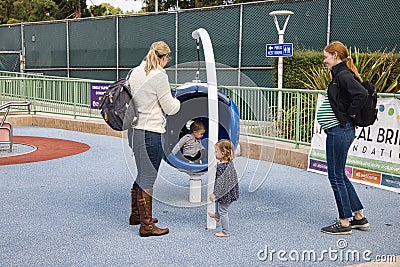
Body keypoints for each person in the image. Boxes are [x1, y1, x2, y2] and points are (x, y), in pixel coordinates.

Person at [127, 41, 180, 237]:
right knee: (148, 179)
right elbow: (170, 108)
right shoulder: (159, 76)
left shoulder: (136, 72)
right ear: (164, 58)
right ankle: (147, 226)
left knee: (142, 174)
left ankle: (136, 215)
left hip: (135, 132)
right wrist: (178, 101)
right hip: (151, 132)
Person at [317, 41, 370, 235]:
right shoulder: (341, 74)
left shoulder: (344, 75)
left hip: (339, 131)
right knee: (340, 174)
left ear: (335, 56)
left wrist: (350, 113)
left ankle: (344, 222)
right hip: (340, 130)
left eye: (326, 57)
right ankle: (358, 217)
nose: (325, 61)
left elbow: (361, 94)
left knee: (335, 176)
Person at [208, 139, 239, 237]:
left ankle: (225, 232)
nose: (215, 153)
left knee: (223, 211)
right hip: (230, 191)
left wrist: (214, 193)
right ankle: (217, 216)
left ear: (223, 153)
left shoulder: (221, 168)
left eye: (216, 151)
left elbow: (220, 183)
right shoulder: (228, 163)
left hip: (226, 193)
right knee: (218, 202)